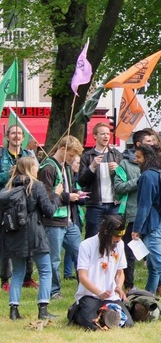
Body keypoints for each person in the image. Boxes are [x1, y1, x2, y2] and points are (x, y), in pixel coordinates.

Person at [1, 157, 57, 320]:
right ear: (29, 168)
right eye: (35, 167)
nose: (37, 169)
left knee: (18, 272)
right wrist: (57, 195)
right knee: (45, 271)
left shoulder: (8, 188)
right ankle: (43, 309)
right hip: (35, 234)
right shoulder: (36, 186)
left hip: (13, 235)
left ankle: (13, 310)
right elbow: (49, 210)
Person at [69, 215, 134, 330]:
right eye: (115, 236)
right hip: (90, 295)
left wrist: (118, 286)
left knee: (127, 324)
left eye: (121, 236)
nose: (118, 239)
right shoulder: (86, 245)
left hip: (111, 296)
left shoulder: (119, 244)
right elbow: (82, 277)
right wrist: (99, 293)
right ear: (105, 232)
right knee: (93, 326)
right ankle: (76, 311)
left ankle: (105, 313)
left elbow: (120, 272)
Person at [39, 135, 84, 301]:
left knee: (81, 253)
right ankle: (54, 290)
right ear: (62, 149)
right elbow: (46, 195)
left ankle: (85, 287)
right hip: (53, 221)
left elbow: (68, 188)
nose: (73, 159)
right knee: (54, 258)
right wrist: (67, 197)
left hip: (69, 220)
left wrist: (76, 193)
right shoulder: (47, 168)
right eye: (71, 155)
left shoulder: (66, 166)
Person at [131, 144, 161, 308]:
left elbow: (144, 205)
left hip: (153, 225)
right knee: (153, 264)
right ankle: (149, 294)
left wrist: (136, 229)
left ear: (147, 158)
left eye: (139, 157)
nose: (136, 160)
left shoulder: (147, 176)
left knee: (159, 262)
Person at [114, 129, 157, 293]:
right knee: (130, 251)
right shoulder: (124, 164)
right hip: (133, 213)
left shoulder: (156, 163)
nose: (152, 143)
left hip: (153, 214)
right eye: (148, 141)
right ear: (138, 145)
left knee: (154, 251)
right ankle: (129, 285)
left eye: (153, 141)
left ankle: (156, 286)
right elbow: (118, 187)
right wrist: (138, 181)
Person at [0, 125, 39, 291]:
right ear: (8, 137)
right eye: (13, 133)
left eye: (19, 134)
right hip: (5, 204)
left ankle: (27, 276)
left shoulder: (28, 155)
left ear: (23, 138)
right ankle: (5, 278)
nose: (16, 136)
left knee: (27, 237)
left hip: (25, 202)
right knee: (5, 240)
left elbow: (36, 175)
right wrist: (8, 174)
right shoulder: (1, 155)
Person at [78, 122, 123, 238]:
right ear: (95, 136)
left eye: (108, 134)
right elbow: (81, 181)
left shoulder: (117, 155)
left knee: (114, 236)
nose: (106, 137)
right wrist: (92, 167)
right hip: (95, 204)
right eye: (102, 134)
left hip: (114, 204)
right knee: (93, 237)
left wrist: (118, 170)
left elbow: (125, 179)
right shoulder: (87, 156)